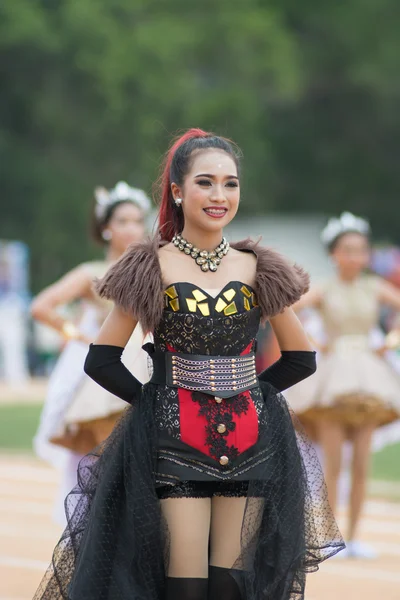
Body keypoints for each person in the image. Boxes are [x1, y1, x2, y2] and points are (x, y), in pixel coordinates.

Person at [34, 129, 344, 600]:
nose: (220, 195)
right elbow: (101, 359)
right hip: (174, 444)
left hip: (252, 441)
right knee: (186, 586)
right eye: (206, 182)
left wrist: (255, 394)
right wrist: (154, 403)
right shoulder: (148, 267)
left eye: (231, 183)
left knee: (233, 586)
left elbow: (301, 358)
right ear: (177, 192)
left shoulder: (259, 267)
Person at [31, 182, 151, 523]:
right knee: (107, 469)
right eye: (124, 220)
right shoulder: (91, 273)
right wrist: (77, 333)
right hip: (106, 376)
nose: (133, 228)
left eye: (138, 220)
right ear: (106, 229)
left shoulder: (153, 269)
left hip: (148, 367)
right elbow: (42, 306)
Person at [287, 212, 400, 559]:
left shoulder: (375, 287)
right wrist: (311, 341)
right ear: (334, 253)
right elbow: (288, 309)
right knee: (332, 465)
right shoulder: (325, 287)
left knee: (362, 462)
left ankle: (354, 535)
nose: (355, 257)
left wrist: (391, 340)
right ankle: (330, 536)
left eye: (360, 250)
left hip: (368, 375)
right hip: (333, 378)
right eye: (347, 250)